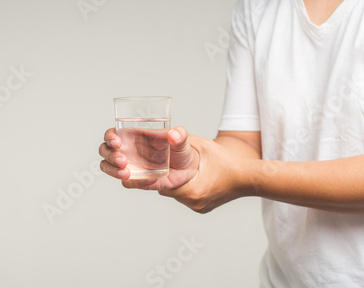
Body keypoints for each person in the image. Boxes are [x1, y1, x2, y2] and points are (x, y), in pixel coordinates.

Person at [98, 0, 364, 286]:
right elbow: (243, 140)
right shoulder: (255, 7)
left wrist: (242, 177)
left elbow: (242, 169)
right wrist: (196, 164)